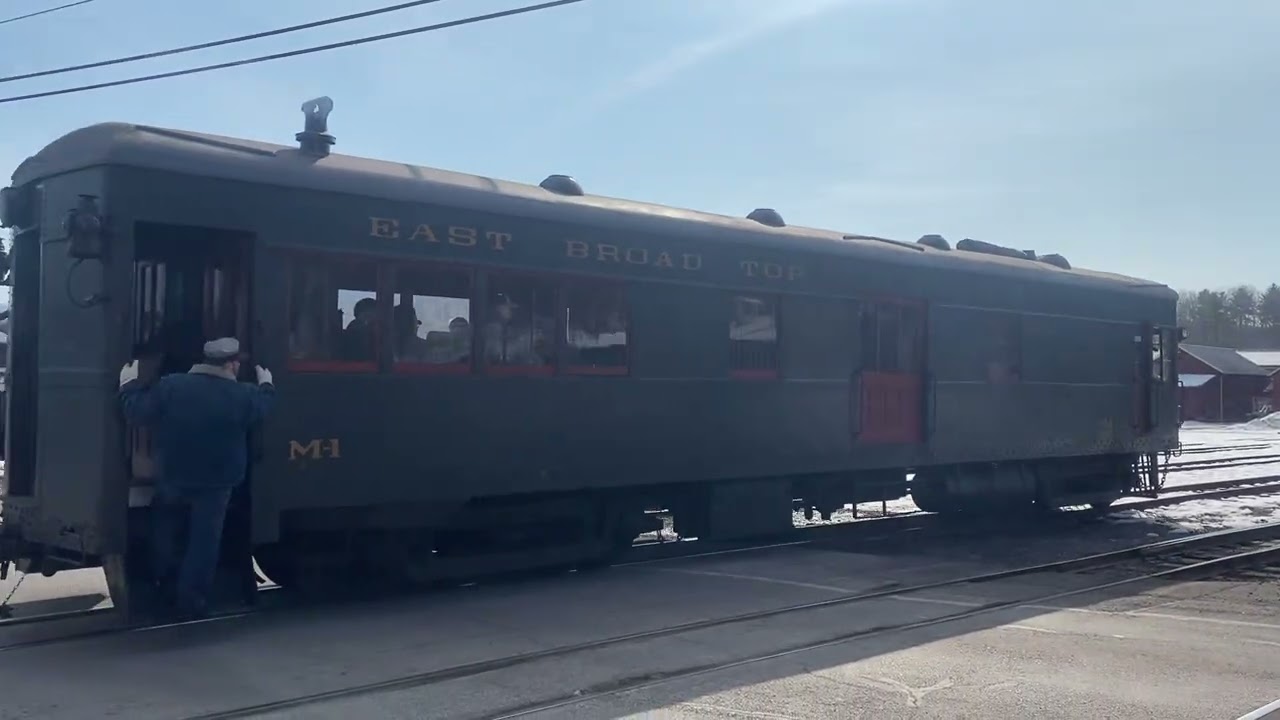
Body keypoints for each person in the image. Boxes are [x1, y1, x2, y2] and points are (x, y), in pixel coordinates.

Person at [118, 337, 276, 620]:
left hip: (174, 475)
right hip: (218, 482)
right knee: (204, 542)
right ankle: (192, 600)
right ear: (232, 364)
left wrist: (128, 384)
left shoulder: (171, 386)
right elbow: (263, 408)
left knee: (165, 530)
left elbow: (136, 411)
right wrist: (266, 383)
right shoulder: (243, 395)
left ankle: (164, 584)